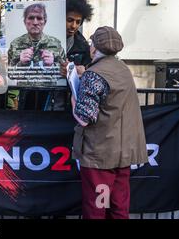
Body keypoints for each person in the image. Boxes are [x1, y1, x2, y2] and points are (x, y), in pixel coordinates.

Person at [71, 26, 148, 219]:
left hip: (100, 157)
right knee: (118, 208)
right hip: (123, 154)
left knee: (98, 208)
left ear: (94, 47)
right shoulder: (123, 69)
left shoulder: (94, 75)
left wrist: (75, 99)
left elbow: (84, 118)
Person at [8, 3, 65, 68]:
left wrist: (51, 65)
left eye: (39, 18)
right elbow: (7, 73)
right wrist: (21, 64)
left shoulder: (56, 44)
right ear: (25, 21)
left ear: (45, 22)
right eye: (31, 18)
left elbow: (65, 72)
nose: (35, 22)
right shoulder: (15, 44)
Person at [57, 0, 93, 76]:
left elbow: (89, 75)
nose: (73, 26)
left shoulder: (84, 48)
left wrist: (80, 72)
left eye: (78, 22)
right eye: (70, 20)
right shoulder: (43, 40)